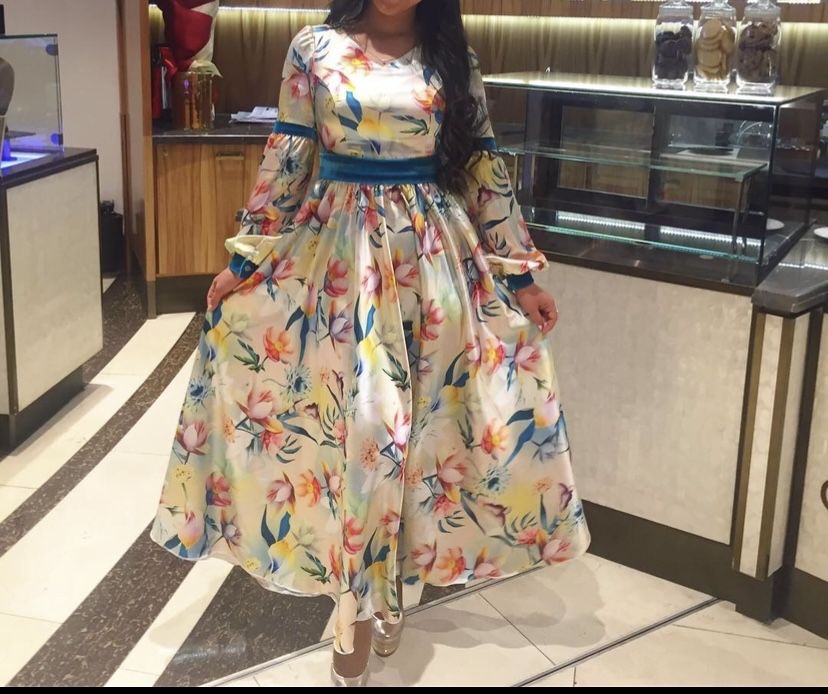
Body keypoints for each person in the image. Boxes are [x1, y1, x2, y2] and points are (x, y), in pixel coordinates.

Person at [151, 0, 590, 686]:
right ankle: (352, 607)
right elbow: (289, 156)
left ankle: (391, 589)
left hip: (430, 264)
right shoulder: (314, 49)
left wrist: (520, 274)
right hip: (338, 261)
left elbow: (483, 166)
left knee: (421, 440)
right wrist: (245, 260)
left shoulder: (453, 58)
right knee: (363, 431)